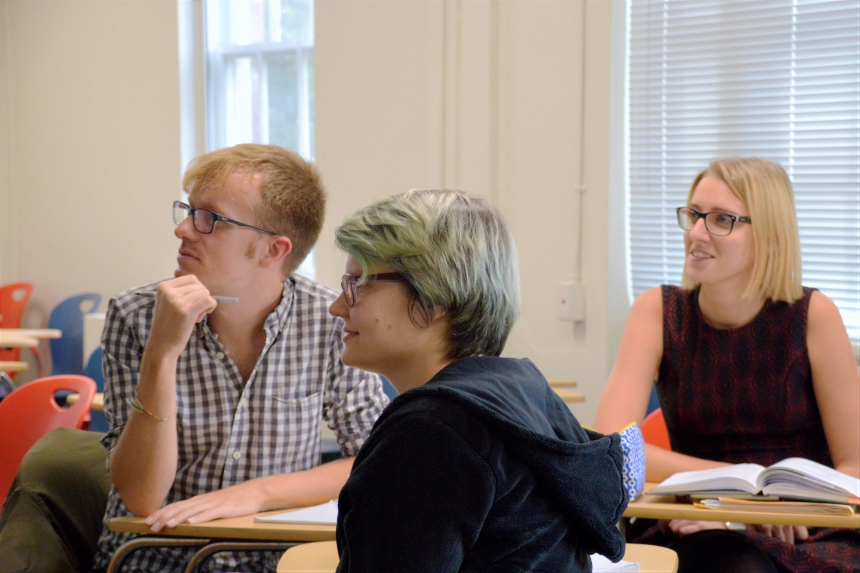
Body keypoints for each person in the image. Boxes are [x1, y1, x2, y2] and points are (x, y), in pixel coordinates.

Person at [92, 144, 389, 573]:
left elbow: (375, 459)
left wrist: (259, 492)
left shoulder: (329, 321)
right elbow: (141, 496)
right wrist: (161, 355)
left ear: (273, 250)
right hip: (158, 557)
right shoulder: (136, 316)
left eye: (210, 219)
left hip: (275, 558)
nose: (184, 230)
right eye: (189, 211)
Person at [328, 189, 628, 572]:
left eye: (359, 282)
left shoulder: (429, 432)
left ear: (434, 296)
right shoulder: (519, 389)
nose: (337, 306)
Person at [594, 157, 860, 573]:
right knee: (732, 565)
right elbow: (613, 447)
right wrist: (737, 491)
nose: (697, 233)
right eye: (694, 216)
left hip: (805, 527)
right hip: (696, 518)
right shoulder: (656, 312)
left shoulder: (814, 315)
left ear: (770, 238)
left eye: (722, 220)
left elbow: (855, 465)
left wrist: (783, 507)